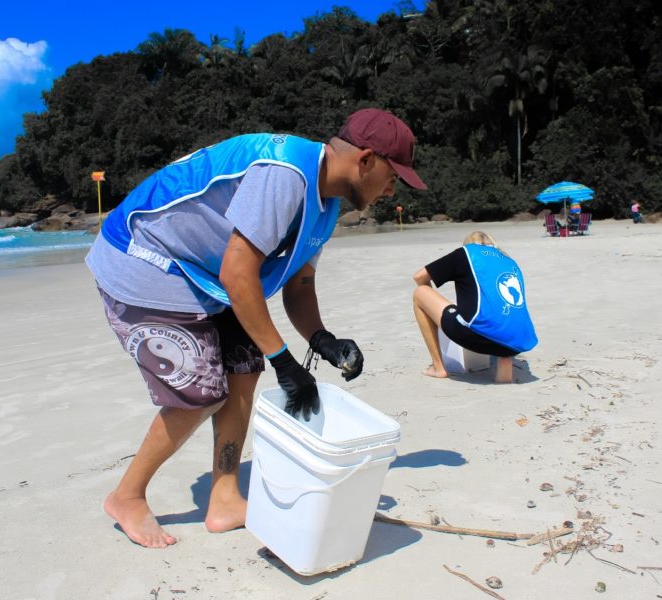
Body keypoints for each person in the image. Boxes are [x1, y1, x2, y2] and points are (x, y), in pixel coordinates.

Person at [85, 108, 427, 548]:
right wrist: (285, 360)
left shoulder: (325, 206)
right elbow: (238, 272)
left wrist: (322, 340)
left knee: (244, 368)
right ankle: (127, 496)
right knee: (200, 393)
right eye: (392, 175)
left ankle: (225, 497)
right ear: (365, 161)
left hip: (201, 272)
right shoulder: (284, 174)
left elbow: (300, 283)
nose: (393, 188)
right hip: (143, 257)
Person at [411, 231, 538, 384]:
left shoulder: (465, 253)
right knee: (501, 312)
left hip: (475, 336)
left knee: (420, 293)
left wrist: (431, 310)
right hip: (517, 341)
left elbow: (419, 276)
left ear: (468, 244)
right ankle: (504, 375)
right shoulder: (509, 261)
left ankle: (438, 367)